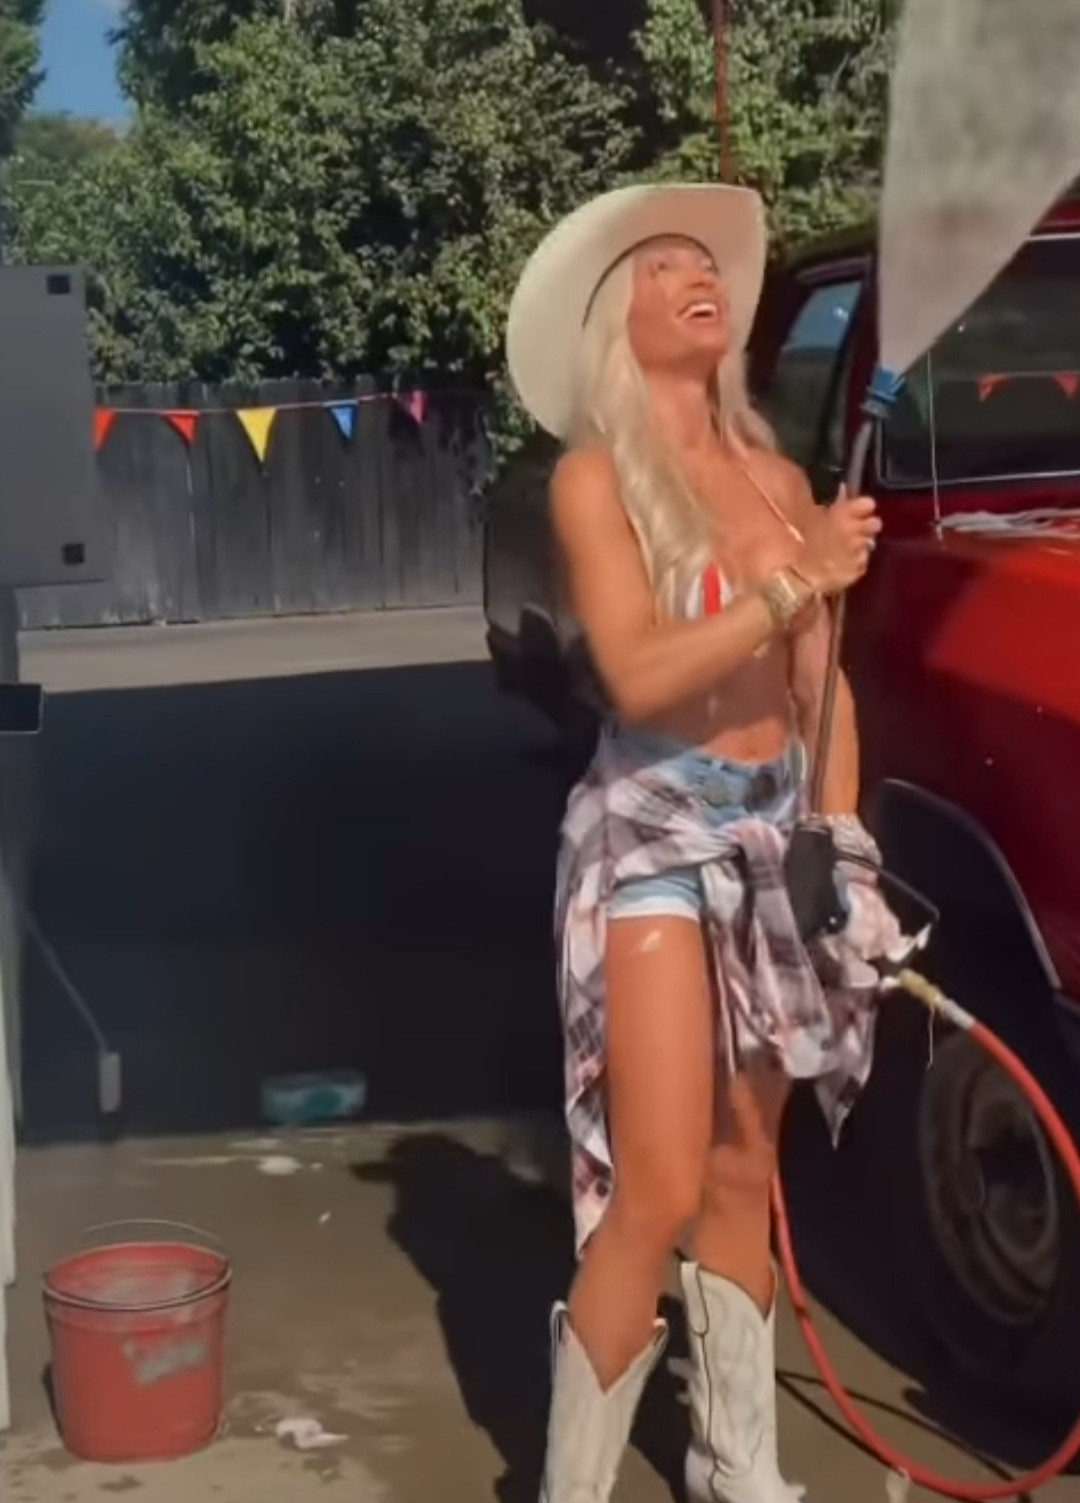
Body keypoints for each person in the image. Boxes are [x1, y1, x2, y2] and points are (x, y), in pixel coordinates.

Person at [505, 182, 899, 1503]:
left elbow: (822, 687)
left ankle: (740, 1474)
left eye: (707, 264)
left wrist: (841, 840)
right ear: (617, 319)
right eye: (663, 264)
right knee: (660, 1183)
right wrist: (798, 579)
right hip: (653, 837)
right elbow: (635, 673)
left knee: (742, 1170)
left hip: (771, 829)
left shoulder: (781, 482)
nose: (699, 277)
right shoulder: (594, 481)